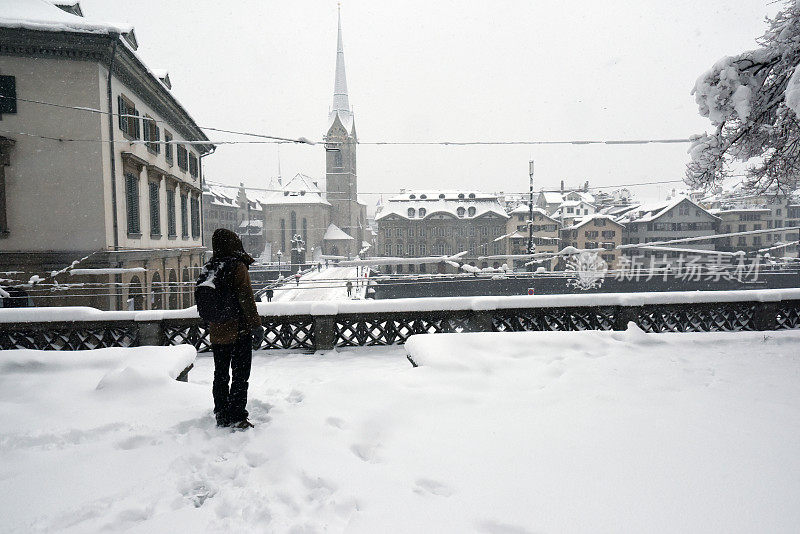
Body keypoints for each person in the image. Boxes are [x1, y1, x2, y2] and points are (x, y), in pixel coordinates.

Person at [202, 229, 263, 429]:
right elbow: (246, 299)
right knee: (240, 375)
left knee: (220, 374)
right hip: (239, 331)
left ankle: (221, 413)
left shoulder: (210, 267)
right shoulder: (237, 266)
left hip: (217, 332)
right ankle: (237, 415)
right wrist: (256, 326)